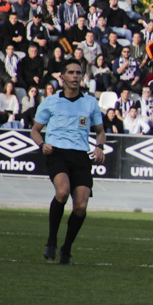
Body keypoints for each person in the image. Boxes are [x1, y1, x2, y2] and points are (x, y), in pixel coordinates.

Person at [30, 61, 106, 265]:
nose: (75, 76)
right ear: (63, 77)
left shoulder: (90, 103)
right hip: (57, 153)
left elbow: (100, 131)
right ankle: (52, 241)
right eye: (70, 73)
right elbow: (35, 130)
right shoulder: (50, 102)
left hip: (81, 156)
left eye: (78, 73)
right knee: (62, 192)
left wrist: (99, 147)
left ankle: (67, 249)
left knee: (81, 206)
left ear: (82, 77)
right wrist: (42, 145)